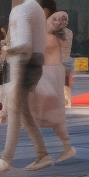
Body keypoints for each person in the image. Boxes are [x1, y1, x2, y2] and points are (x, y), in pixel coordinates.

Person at [0, 0, 50, 172]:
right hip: (34, 63)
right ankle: (42, 154)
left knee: (14, 110)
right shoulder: (37, 9)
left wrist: (7, 49)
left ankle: (6, 158)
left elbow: (25, 45)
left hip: (23, 63)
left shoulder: (22, 11)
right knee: (22, 111)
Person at [32, 10, 77, 161]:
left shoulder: (49, 38)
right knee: (54, 115)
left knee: (47, 113)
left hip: (47, 75)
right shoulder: (63, 36)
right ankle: (65, 146)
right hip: (52, 74)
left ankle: (44, 153)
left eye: (59, 20)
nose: (56, 21)